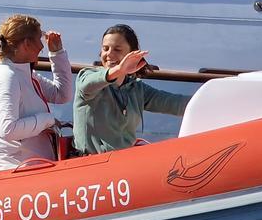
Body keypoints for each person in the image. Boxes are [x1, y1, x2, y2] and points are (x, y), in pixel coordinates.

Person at [73, 24, 190, 155]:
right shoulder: (86, 76)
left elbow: (174, 103)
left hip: (125, 164)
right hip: (90, 165)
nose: (109, 54)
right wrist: (119, 69)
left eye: (117, 49)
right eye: (105, 49)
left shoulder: (137, 88)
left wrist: (210, 103)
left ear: (132, 54)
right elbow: (87, 85)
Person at [0, 15, 73, 171]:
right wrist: (48, 120)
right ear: (26, 43)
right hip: (13, 170)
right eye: (39, 39)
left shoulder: (25, 72)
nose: (42, 46)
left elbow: (62, 95)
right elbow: (8, 129)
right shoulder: (6, 76)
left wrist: (57, 53)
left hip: (31, 168)